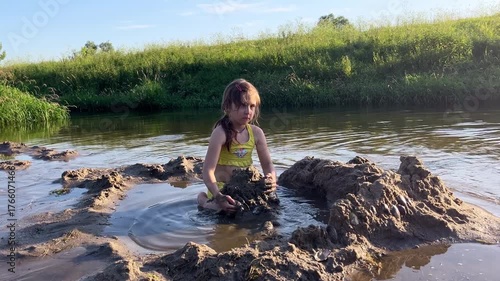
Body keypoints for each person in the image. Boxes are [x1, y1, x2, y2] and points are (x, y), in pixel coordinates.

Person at [197, 78, 277, 212]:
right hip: (223, 190)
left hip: (246, 187)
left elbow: (268, 165)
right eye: (242, 105)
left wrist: (271, 179)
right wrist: (218, 195)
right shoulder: (220, 133)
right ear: (228, 107)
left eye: (252, 106)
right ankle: (203, 200)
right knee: (219, 209)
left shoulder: (256, 133)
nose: (248, 111)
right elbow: (207, 171)